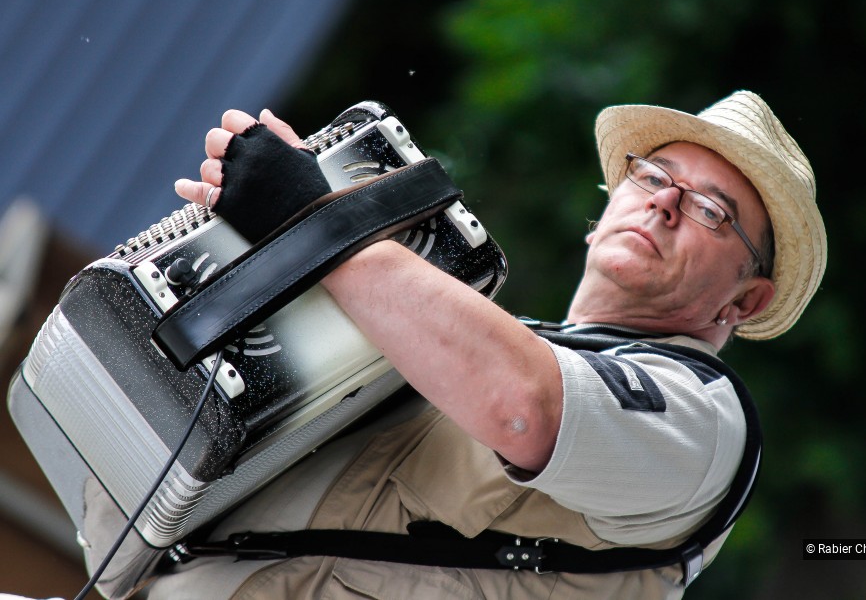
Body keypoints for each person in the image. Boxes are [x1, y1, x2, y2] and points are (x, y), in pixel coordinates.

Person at [146, 90, 826, 599]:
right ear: (601, 215)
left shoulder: (706, 419)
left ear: (745, 301)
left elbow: (523, 407)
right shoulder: (466, 336)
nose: (664, 203)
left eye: (713, 211)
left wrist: (315, 223)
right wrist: (283, 226)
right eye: (651, 175)